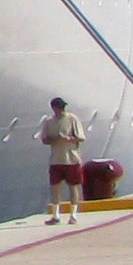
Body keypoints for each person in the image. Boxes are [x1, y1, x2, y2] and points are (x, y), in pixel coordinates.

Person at [40, 94, 87, 223]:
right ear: (54, 108)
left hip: (72, 159)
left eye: (63, 107)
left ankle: (73, 215)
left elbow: (81, 137)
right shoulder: (49, 122)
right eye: (59, 107)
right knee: (54, 187)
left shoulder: (72, 119)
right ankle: (56, 216)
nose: (62, 110)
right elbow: (44, 139)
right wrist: (54, 139)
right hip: (56, 159)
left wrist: (68, 138)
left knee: (73, 187)